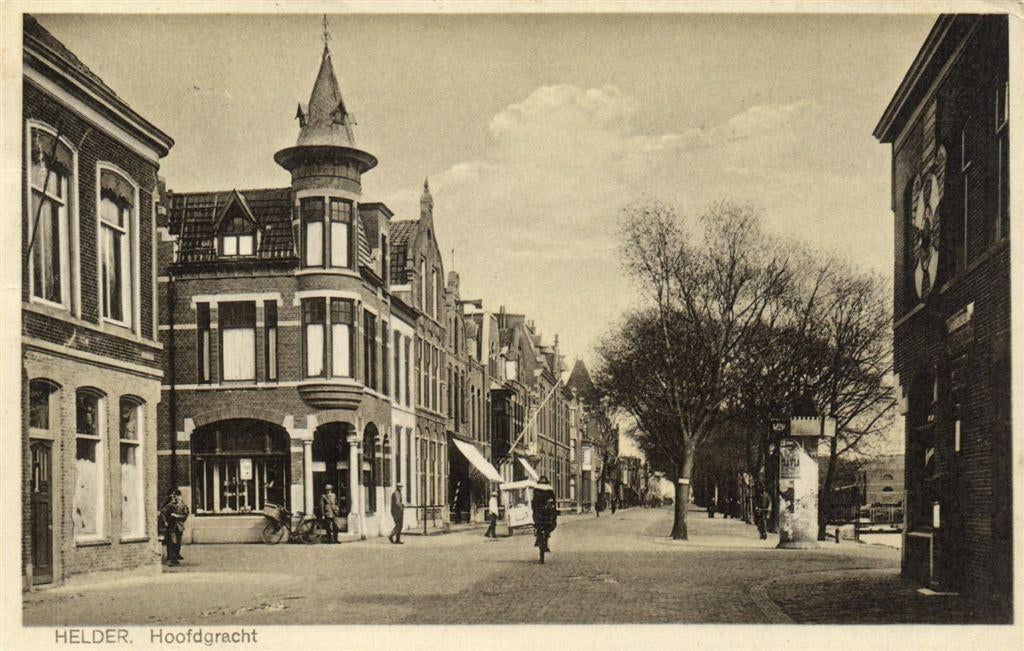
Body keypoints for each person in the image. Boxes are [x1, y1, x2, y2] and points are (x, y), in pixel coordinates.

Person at [160, 489, 189, 567]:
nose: (176, 498)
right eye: (175, 496)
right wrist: (165, 522)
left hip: (179, 527)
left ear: (180, 497)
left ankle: (175, 556)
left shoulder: (183, 506)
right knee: (173, 542)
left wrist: (177, 516)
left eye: (178, 496)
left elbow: (185, 516)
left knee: (178, 543)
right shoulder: (170, 505)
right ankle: (172, 559)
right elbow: (162, 512)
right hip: (171, 526)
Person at [532, 477, 557, 564]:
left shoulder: (536, 491)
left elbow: (533, 504)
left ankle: (541, 557)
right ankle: (545, 539)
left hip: (539, 517)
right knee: (547, 531)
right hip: (547, 517)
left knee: (539, 533)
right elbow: (553, 503)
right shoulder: (550, 491)